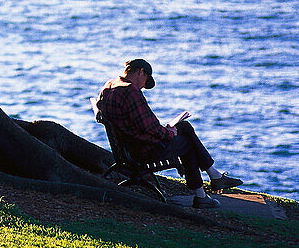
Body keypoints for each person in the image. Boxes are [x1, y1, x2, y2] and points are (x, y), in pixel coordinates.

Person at [94, 58, 243, 209]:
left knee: (184, 127)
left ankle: (212, 176)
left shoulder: (110, 85)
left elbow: (142, 125)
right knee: (187, 143)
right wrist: (170, 132)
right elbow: (151, 128)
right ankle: (202, 194)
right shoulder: (130, 91)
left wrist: (168, 130)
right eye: (146, 81)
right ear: (141, 72)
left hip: (127, 146)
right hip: (142, 151)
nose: (144, 86)